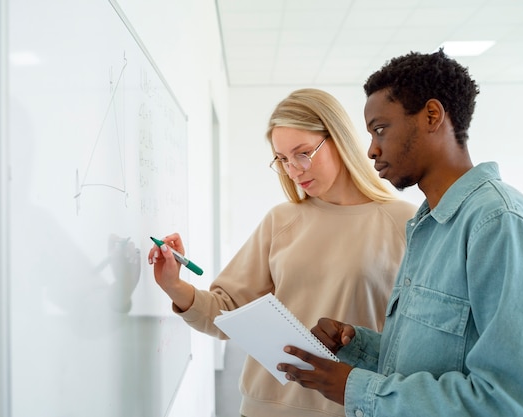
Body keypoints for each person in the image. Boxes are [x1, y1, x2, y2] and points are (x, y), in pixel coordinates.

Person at [277, 50, 523, 417]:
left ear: (432, 116)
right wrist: (358, 347)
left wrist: (354, 388)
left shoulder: (498, 223)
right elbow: (439, 358)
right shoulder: (426, 224)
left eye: (380, 129)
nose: (371, 149)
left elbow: (512, 401)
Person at [148, 88, 417, 417]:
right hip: (266, 408)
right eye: (283, 160)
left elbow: (416, 336)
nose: (294, 170)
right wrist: (175, 286)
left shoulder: (404, 222)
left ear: (339, 139)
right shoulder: (281, 221)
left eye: (303, 153)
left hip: (355, 407)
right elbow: (225, 313)